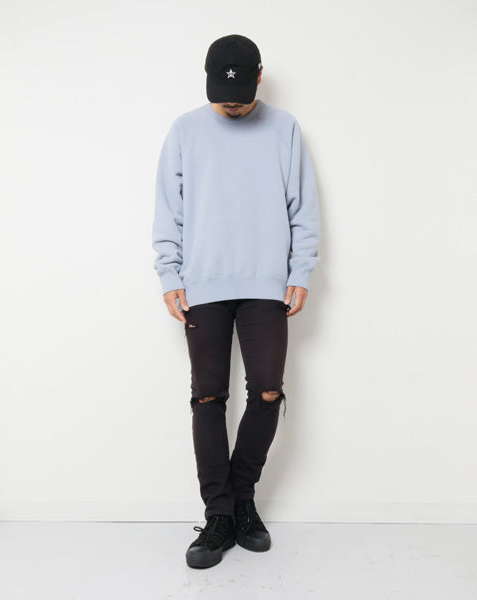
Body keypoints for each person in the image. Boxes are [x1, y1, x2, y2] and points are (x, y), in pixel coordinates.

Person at [152, 34, 321, 569]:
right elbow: (168, 209)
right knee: (208, 398)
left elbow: (302, 205)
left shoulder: (284, 128)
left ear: (259, 76)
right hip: (202, 284)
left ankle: (242, 499)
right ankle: (219, 515)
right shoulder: (185, 130)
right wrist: (169, 274)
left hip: (267, 283)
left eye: (241, 94)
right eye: (221, 94)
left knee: (268, 391)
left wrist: (301, 270)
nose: (231, 103)